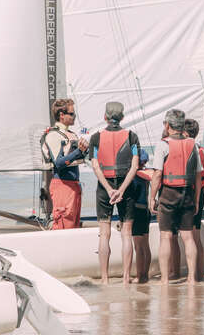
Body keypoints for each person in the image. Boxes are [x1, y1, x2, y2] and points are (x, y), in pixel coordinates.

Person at [149, 109, 202, 285]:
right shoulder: (192, 144)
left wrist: (152, 197)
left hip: (169, 193)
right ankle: (191, 278)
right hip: (187, 192)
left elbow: (157, 174)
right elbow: (197, 175)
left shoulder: (163, 145)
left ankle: (164, 279)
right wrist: (195, 199)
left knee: (166, 236)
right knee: (188, 237)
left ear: (168, 125)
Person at [89, 102, 140, 284]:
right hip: (126, 187)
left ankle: (105, 278)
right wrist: (122, 190)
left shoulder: (95, 137)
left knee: (104, 234)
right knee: (127, 233)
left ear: (105, 117)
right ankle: (126, 278)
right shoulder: (131, 136)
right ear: (123, 117)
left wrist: (109, 189)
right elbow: (134, 166)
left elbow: (95, 166)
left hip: (105, 188)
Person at [41, 99, 88, 230]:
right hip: (62, 186)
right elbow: (59, 163)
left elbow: (79, 157)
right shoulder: (53, 135)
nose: (74, 117)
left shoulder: (72, 134)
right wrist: (79, 151)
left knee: (73, 225)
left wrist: (85, 151)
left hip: (74, 186)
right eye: (72, 114)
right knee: (63, 225)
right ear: (62, 115)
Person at [184, 118, 204, 281]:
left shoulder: (195, 150)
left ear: (186, 133)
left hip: (191, 195)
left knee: (193, 236)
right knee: (195, 235)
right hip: (198, 194)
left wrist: (200, 190)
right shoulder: (201, 150)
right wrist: (203, 189)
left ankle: (195, 274)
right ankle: (198, 274)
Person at [132, 149, 153, 283]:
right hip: (146, 211)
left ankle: (139, 276)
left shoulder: (134, 175)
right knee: (145, 245)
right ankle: (145, 274)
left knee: (138, 246)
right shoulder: (146, 173)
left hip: (136, 211)